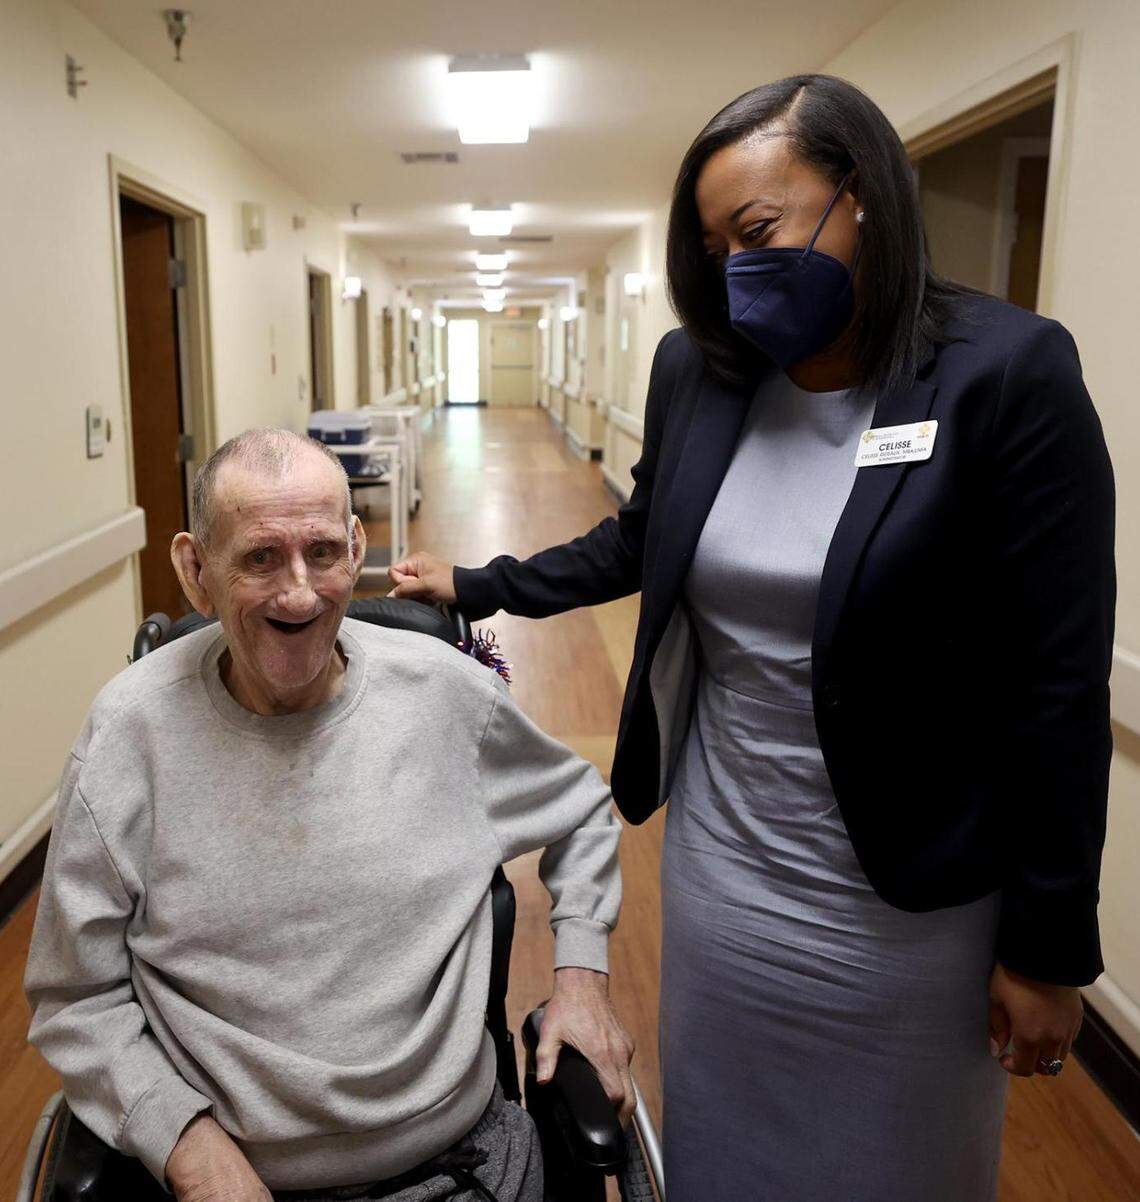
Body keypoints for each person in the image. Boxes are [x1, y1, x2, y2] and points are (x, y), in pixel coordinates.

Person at [388, 74, 1116, 1201]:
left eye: (760, 230)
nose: (736, 267)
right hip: (728, 870)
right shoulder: (703, 372)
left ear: (861, 193)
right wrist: (475, 580)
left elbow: (1059, 680)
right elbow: (640, 542)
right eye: (716, 242)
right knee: (726, 1146)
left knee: (904, 1165)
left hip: (911, 903)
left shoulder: (1006, 375)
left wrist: (1050, 942)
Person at [25, 429, 635, 1202]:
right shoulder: (128, 736)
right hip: (230, 1182)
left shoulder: (444, 696)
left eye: (322, 552)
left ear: (356, 548)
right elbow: (74, 998)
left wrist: (582, 978)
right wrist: (185, 1142)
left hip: (461, 1166)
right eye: (259, 557)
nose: (300, 593)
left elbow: (581, 809)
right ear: (194, 570)